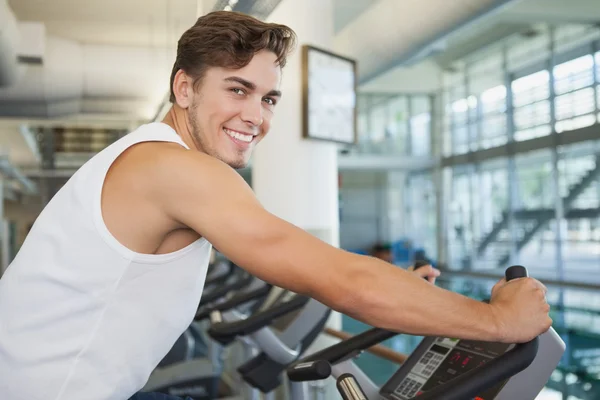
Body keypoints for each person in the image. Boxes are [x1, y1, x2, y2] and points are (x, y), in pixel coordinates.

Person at [0, 10, 551, 400]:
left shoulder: (160, 160)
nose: (257, 117)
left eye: (267, 99)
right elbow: (341, 281)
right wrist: (498, 319)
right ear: (184, 89)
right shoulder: (175, 169)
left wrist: (395, 285)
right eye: (236, 90)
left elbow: (317, 260)